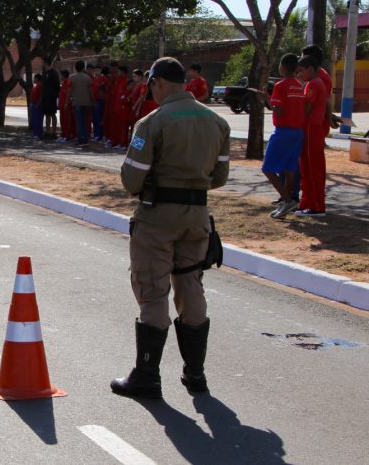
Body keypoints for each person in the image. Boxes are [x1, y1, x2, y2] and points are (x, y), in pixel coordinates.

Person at [112, 57, 230, 400]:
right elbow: (220, 177)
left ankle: (146, 376)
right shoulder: (217, 122)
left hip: (157, 218)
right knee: (191, 286)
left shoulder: (151, 123)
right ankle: (196, 375)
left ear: (159, 82)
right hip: (197, 217)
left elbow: (131, 179)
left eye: (151, 85)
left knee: (153, 290)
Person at [257, 54, 305, 219]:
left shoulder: (280, 85)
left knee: (267, 168)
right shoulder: (300, 85)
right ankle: (288, 200)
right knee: (290, 167)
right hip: (297, 132)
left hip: (283, 131)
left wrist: (266, 99)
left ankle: (287, 199)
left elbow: (278, 109)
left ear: (282, 67)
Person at [295, 56, 328, 217]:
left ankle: (317, 206)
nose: (300, 74)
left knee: (312, 168)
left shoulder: (313, 84)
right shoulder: (312, 84)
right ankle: (307, 202)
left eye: (301, 71)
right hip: (310, 129)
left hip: (311, 129)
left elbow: (306, 109)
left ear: (310, 69)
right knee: (306, 169)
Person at [69, 61, 93, 147]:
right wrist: (92, 101)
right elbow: (90, 90)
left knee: (79, 122)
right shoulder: (88, 77)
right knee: (84, 121)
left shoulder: (71, 77)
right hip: (86, 102)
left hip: (76, 101)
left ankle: (81, 139)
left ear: (75, 67)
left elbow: (69, 90)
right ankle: (86, 139)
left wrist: (67, 101)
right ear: (83, 67)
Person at [40, 62, 60, 139]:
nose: (41, 65)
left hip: (52, 97)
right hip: (45, 97)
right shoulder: (44, 73)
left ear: (46, 63)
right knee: (47, 114)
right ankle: (47, 132)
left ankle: (54, 132)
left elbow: (57, 86)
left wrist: (54, 95)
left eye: (43, 63)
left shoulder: (54, 73)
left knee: (52, 114)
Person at [57, 69, 75, 143]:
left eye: (61, 75)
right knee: (62, 120)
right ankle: (63, 135)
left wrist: (66, 103)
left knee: (66, 121)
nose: (60, 76)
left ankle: (67, 136)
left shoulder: (68, 82)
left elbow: (69, 93)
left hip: (65, 105)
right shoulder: (63, 83)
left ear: (63, 75)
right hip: (61, 104)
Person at [29, 74, 44, 139]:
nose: (34, 79)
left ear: (37, 79)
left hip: (38, 105)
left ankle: (38, 134)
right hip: (33, 104)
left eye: (34, 78)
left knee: (38, 120)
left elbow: (41, 96)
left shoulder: (40, 85)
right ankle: (35, 133)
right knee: (34, 120)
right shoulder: (36, 86)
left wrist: (38, 103)